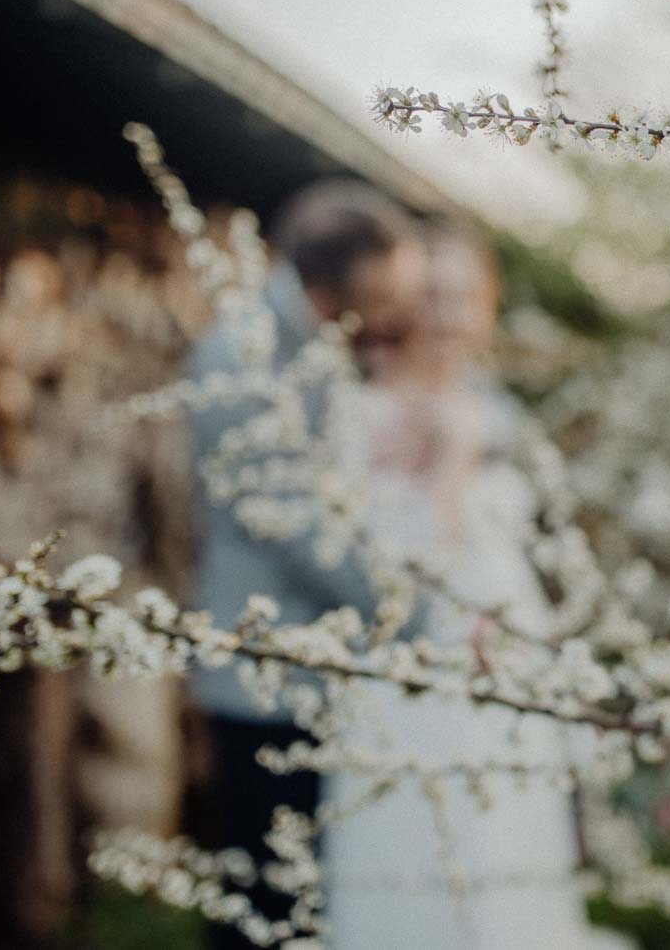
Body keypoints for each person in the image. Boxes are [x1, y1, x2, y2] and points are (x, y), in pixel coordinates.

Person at [324, 231, 630, 949]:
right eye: (433, 296)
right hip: (416, 655)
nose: (450, 315)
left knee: (509, 826)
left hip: (508, 644)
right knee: (423, 831)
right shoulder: (367, 410)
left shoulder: (493, 406)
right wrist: (449, 462)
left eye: (465, 297)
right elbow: (401, 559)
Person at [184, 180, 428, 949]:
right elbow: (293, 526)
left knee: (306, 883)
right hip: (266, 667)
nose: (392, 313)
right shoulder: (242, 356)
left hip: (313, 660)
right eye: (381, 295)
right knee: (267, 888)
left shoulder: (312, 340)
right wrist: (399, 606)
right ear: (329, 287)